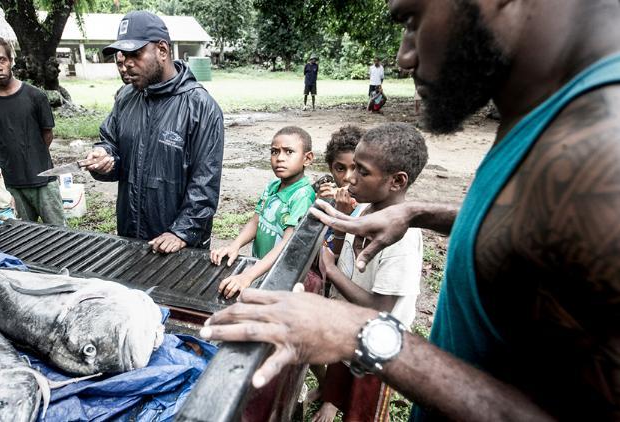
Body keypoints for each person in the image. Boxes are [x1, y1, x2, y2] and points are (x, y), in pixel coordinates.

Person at [199, 0, 620, 420]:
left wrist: (358, 332)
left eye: (412, 19)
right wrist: (417, 212)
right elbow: (532, 228)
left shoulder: (599, 154)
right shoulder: (548, 113)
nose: (405, 57)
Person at [313, 123, 427, 422]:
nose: (349, 178)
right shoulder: (367, 210)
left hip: (379, 347)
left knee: (366, 409)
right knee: (343, 382)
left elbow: (380, 309)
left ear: (396, 181)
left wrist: (330, 270)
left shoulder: (403, 239)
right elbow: (351, 259)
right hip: (352, 328)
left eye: (361, 171)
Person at [86, 11, 224, 253]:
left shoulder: (200, 106)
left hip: (179, 244)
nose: (126, 62)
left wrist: (181, 231)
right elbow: (111, 143)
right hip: (130, 235)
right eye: (123, 55)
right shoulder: (126, 97)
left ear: (162, 50)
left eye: (135, 54)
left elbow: (205, 181)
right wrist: (103, 157)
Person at [210, 126, 315, 299]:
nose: (279, 158)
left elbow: (286, 245)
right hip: (261, 267)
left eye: (289, 152)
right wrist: (234, 245)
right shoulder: (273, 186)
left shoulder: (302, 195)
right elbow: (256, 221)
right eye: (274, 152)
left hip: (280, 275)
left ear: (307, 158)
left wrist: (247, 276)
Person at [0, 32, 65, 226]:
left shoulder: (36, 96)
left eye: (1, 60)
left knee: (59, 232)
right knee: (23, 231)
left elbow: (47, 134)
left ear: (10, 60)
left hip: (43, 177)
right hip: (11, 180)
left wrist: (32, 157)